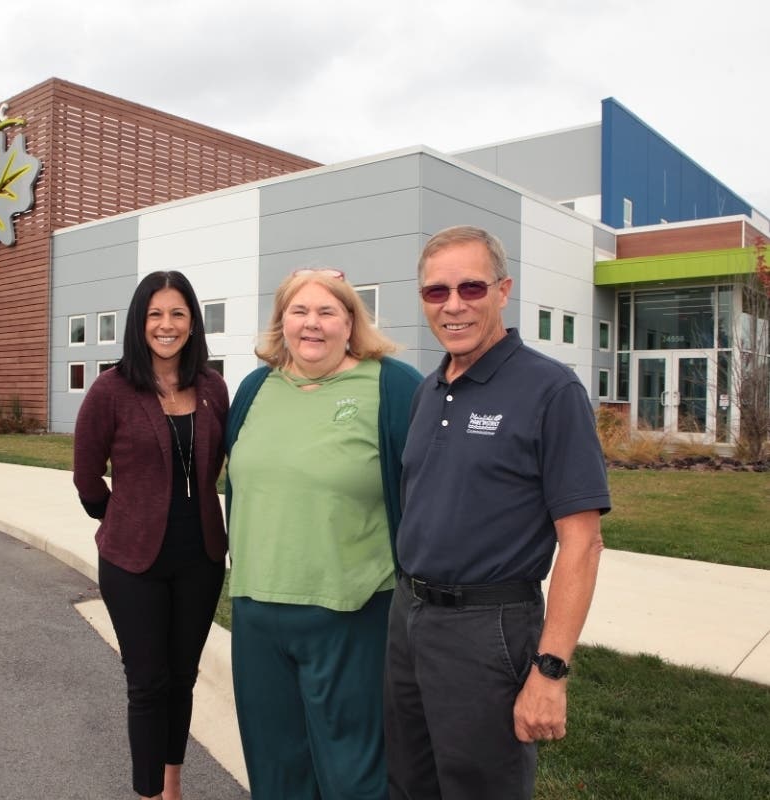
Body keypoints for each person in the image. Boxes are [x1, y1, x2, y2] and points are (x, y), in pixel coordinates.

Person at [384, 226, 611, 800]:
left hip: (488, 629)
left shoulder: (550, 390)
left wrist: (550, 672)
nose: (454, 305)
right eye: (437, 292)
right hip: (409, 619)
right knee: (412, 783)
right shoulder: (429, 389)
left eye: (471, 287)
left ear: (503, 290)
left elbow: (582, 544)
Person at [225, 268, 422, 800]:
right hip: (256, 612)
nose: (312, 324)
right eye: (299, 311)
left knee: (354, 773)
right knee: (276, 771)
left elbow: (429, 493)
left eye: (327, 311)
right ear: (281, 321)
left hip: (352, 612)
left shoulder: (392, 385)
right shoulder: (253, 389)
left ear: (351, 322)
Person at [73, 270, 229, 800]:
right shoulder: (112, 389)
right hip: (132, 562)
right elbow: (86, 474)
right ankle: (146, 795)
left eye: (178, 314)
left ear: (192, 323)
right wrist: (120, 518)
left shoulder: (212, 386)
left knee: (181, 678)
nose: (167, 325)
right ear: (140, 323)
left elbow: (218, 463)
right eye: (155, 314)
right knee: (147, 684)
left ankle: (172, 787)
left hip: (200, 557)